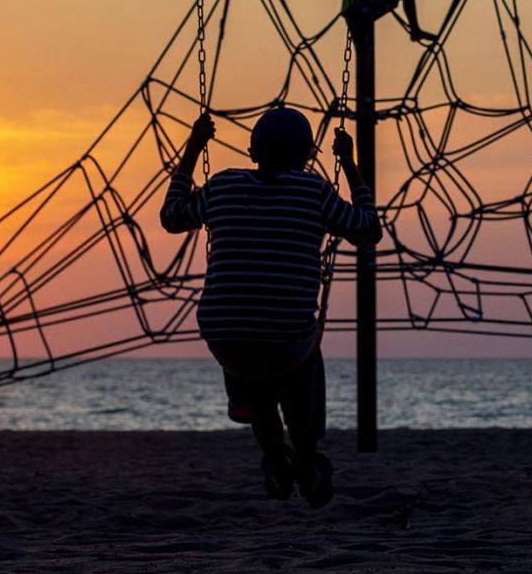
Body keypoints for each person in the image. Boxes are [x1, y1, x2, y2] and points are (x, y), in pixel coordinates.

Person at [161, 107, 379, 506]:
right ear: (307, 156)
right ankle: (307, 458)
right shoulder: (313, 191)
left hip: (225, 337)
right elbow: (368, 230)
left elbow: (172, 217)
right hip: (287, 340)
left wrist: (194, 146)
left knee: (254, 373)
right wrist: (349, 163)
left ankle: (276, 459)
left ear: (252, 150)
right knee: (298, 354)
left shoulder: (223, 185)